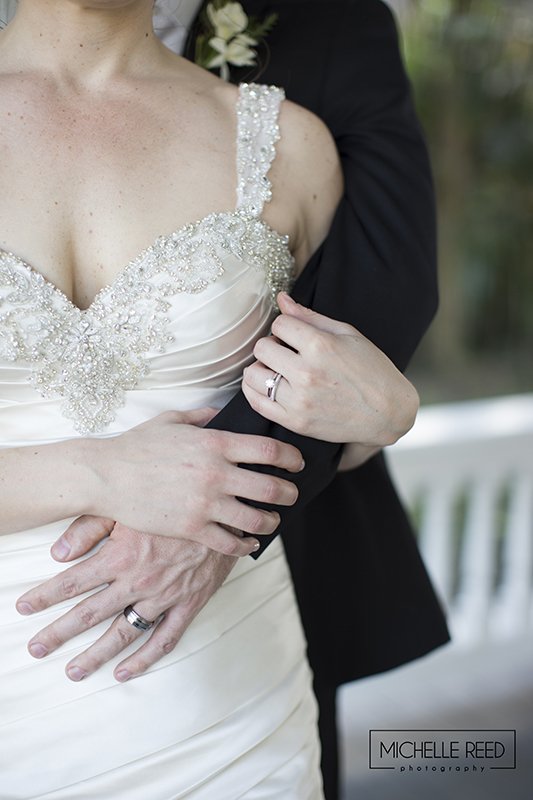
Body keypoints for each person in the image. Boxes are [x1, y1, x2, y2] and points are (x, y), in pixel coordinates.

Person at [0, 2, 451, 798]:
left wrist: (382, 417)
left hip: (226, 704)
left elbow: (356, 342)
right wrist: (93, 473)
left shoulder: (293, 146)